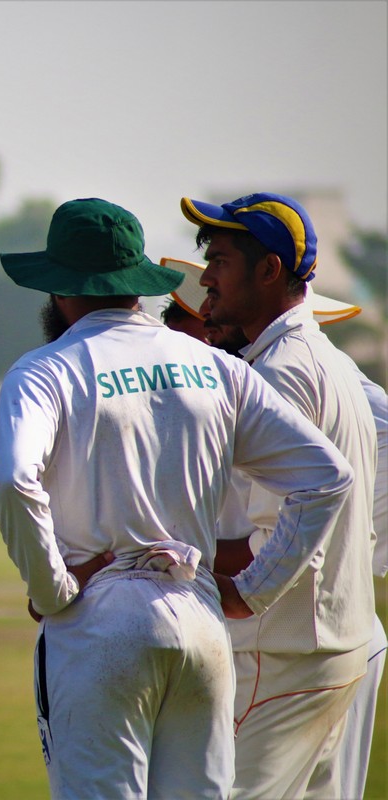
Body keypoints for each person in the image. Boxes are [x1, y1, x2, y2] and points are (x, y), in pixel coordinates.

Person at [0, 197, 357, 799]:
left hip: (98, 623)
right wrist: (254, 590)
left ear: (60, 289)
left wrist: (53, 589)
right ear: (137, 284)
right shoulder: (213, 365)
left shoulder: (45, 370)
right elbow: (327, 476)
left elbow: (10, 480)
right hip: (199, 617)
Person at [181, 192, 377, 799]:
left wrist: (236, 589)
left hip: (283, 650)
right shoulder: (323, 358)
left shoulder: (280, 372)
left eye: (220, 261)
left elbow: (283, 520)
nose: (205, 279)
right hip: (331, 643)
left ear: (269, 270)